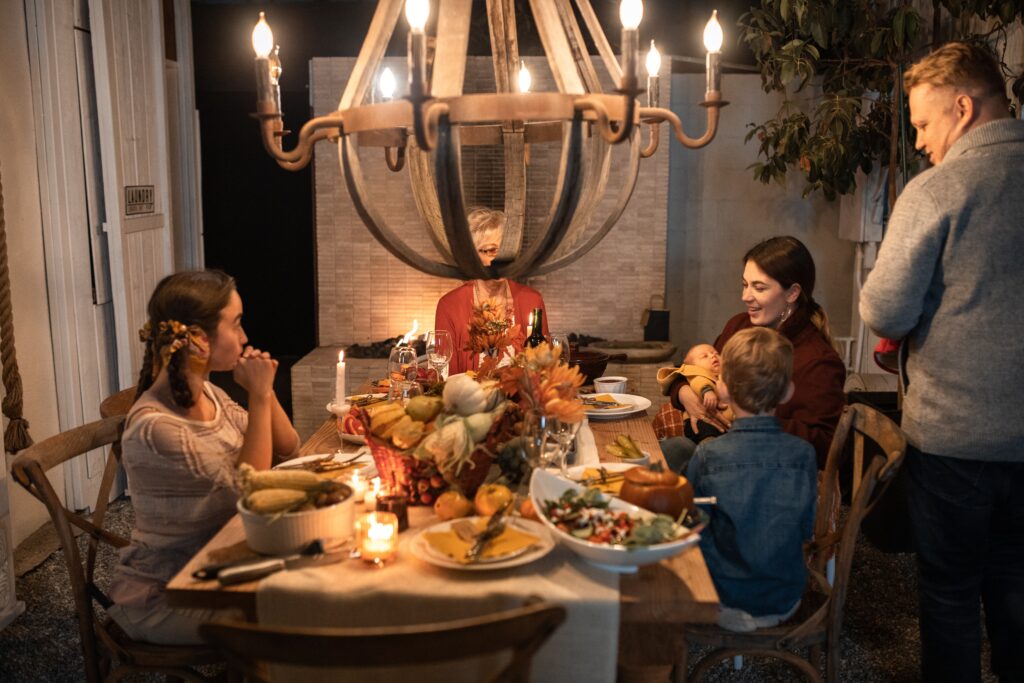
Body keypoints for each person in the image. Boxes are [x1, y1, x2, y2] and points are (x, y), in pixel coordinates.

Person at [859, 42, 1024, 682]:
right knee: (1016, 591)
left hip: (957, 441)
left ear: (963, 106)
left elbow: (887, 310)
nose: (922, 142)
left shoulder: (940, 189)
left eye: (925, 125)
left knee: (951, 594)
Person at [108, 270, 300, 645]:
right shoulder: (156, 428)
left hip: (224, 567)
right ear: (197, 339)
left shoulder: (211, 395)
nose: (245, 337)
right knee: (303, 614)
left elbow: (289, 446)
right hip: (170, 595)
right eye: (237, 324)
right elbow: (251, 495)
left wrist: (266, 390)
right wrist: (259, 396)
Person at [661, 236, 846, 471]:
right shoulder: (739, 326)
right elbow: (697, 367)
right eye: (745, 284)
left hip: (761, 468)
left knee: (674, 455)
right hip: (717, 447)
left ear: (792, 293)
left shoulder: (817, 361)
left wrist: (748, 419)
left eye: (759, 288)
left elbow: (826, 446)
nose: (745, 296)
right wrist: (684, 393)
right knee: (670, 451)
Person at [685, 327, 817, 632]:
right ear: (787, 392)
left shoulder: (707, 454)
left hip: (722, 598)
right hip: (785, 599)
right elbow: (805, 528)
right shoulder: (804, 455)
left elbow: (690, 528)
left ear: (723, 389)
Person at [434, 208, 548, 374]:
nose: (500, 259)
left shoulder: (532, 300)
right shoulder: (449, 306)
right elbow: (445, 378)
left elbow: (544, 371)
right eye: (490, 250)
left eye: (504, 250)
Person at [655, 343, 734, 443]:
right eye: (705, 356)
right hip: (702, 419)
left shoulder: (726, 374)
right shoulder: (699, 374)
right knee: (702, 427)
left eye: (716, 353)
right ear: (693, 367)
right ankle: (707, 442)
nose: (713, 355)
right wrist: (707, 391)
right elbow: (699, 382)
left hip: (728, 423)